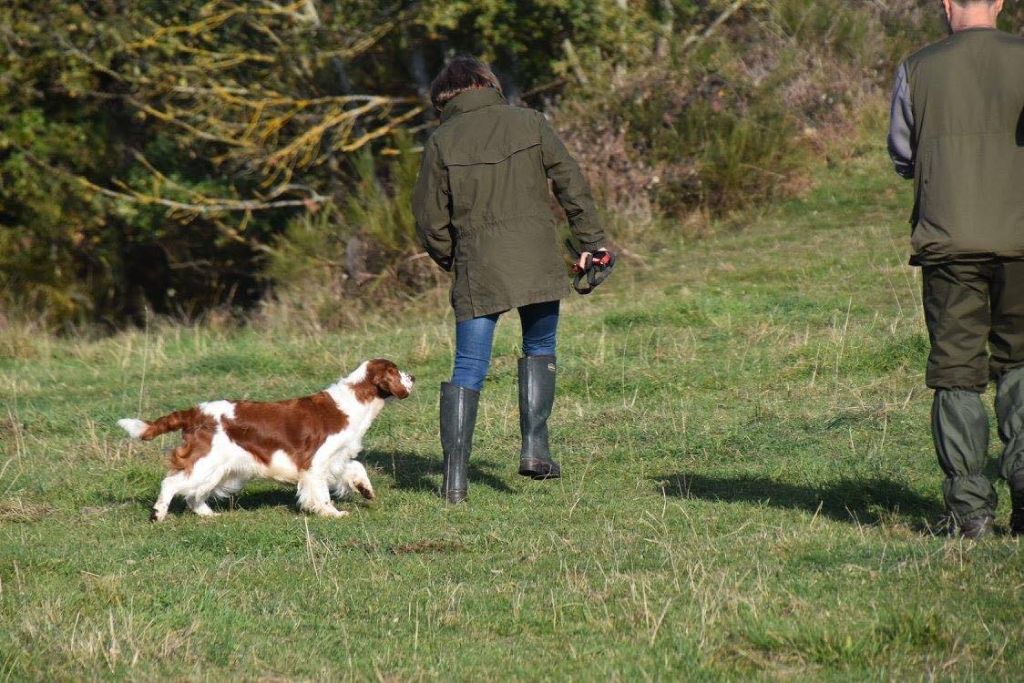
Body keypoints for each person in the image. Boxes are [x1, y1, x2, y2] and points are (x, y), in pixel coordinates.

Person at [412, 56, 609, 504]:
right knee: (539, 347)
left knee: (468, 367)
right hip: (536, 256)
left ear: (445, 98)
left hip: (478, 265)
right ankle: (535, 451)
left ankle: (455, 482)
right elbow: (571, 184)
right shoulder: (531, 122)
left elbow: (428, 219)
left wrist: (454, 259)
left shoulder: (441, 141)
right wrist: (592, 241)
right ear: (487, 84)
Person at [888, 0, 1024, 538]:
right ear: (999, 4)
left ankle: (971, 513)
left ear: (947, 5)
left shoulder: (917, 68)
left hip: (949, 244)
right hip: (1021, 240)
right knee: (1021, 363)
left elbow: (902, 154)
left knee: (957, 373)